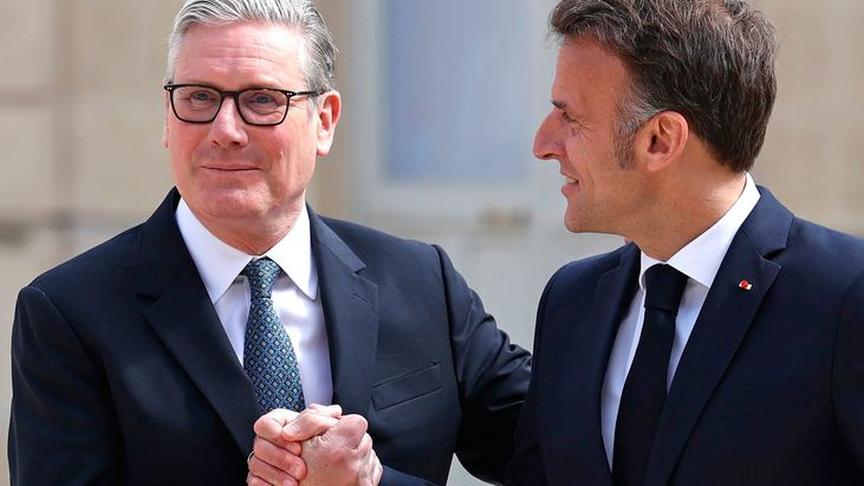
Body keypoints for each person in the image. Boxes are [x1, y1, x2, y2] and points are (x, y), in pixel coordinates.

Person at [8, 0, 530, 484]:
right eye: (198, 97)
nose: (225, 130)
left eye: (261, 100)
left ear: (324, 121)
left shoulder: (420, 282)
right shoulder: (71, 313)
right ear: (168, 116)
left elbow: (555, 451)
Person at [507, 0, 864, 485]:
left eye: (571, 118)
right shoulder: (570, 301)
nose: (543, 144)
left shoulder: (844, 297)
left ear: (660, 140)